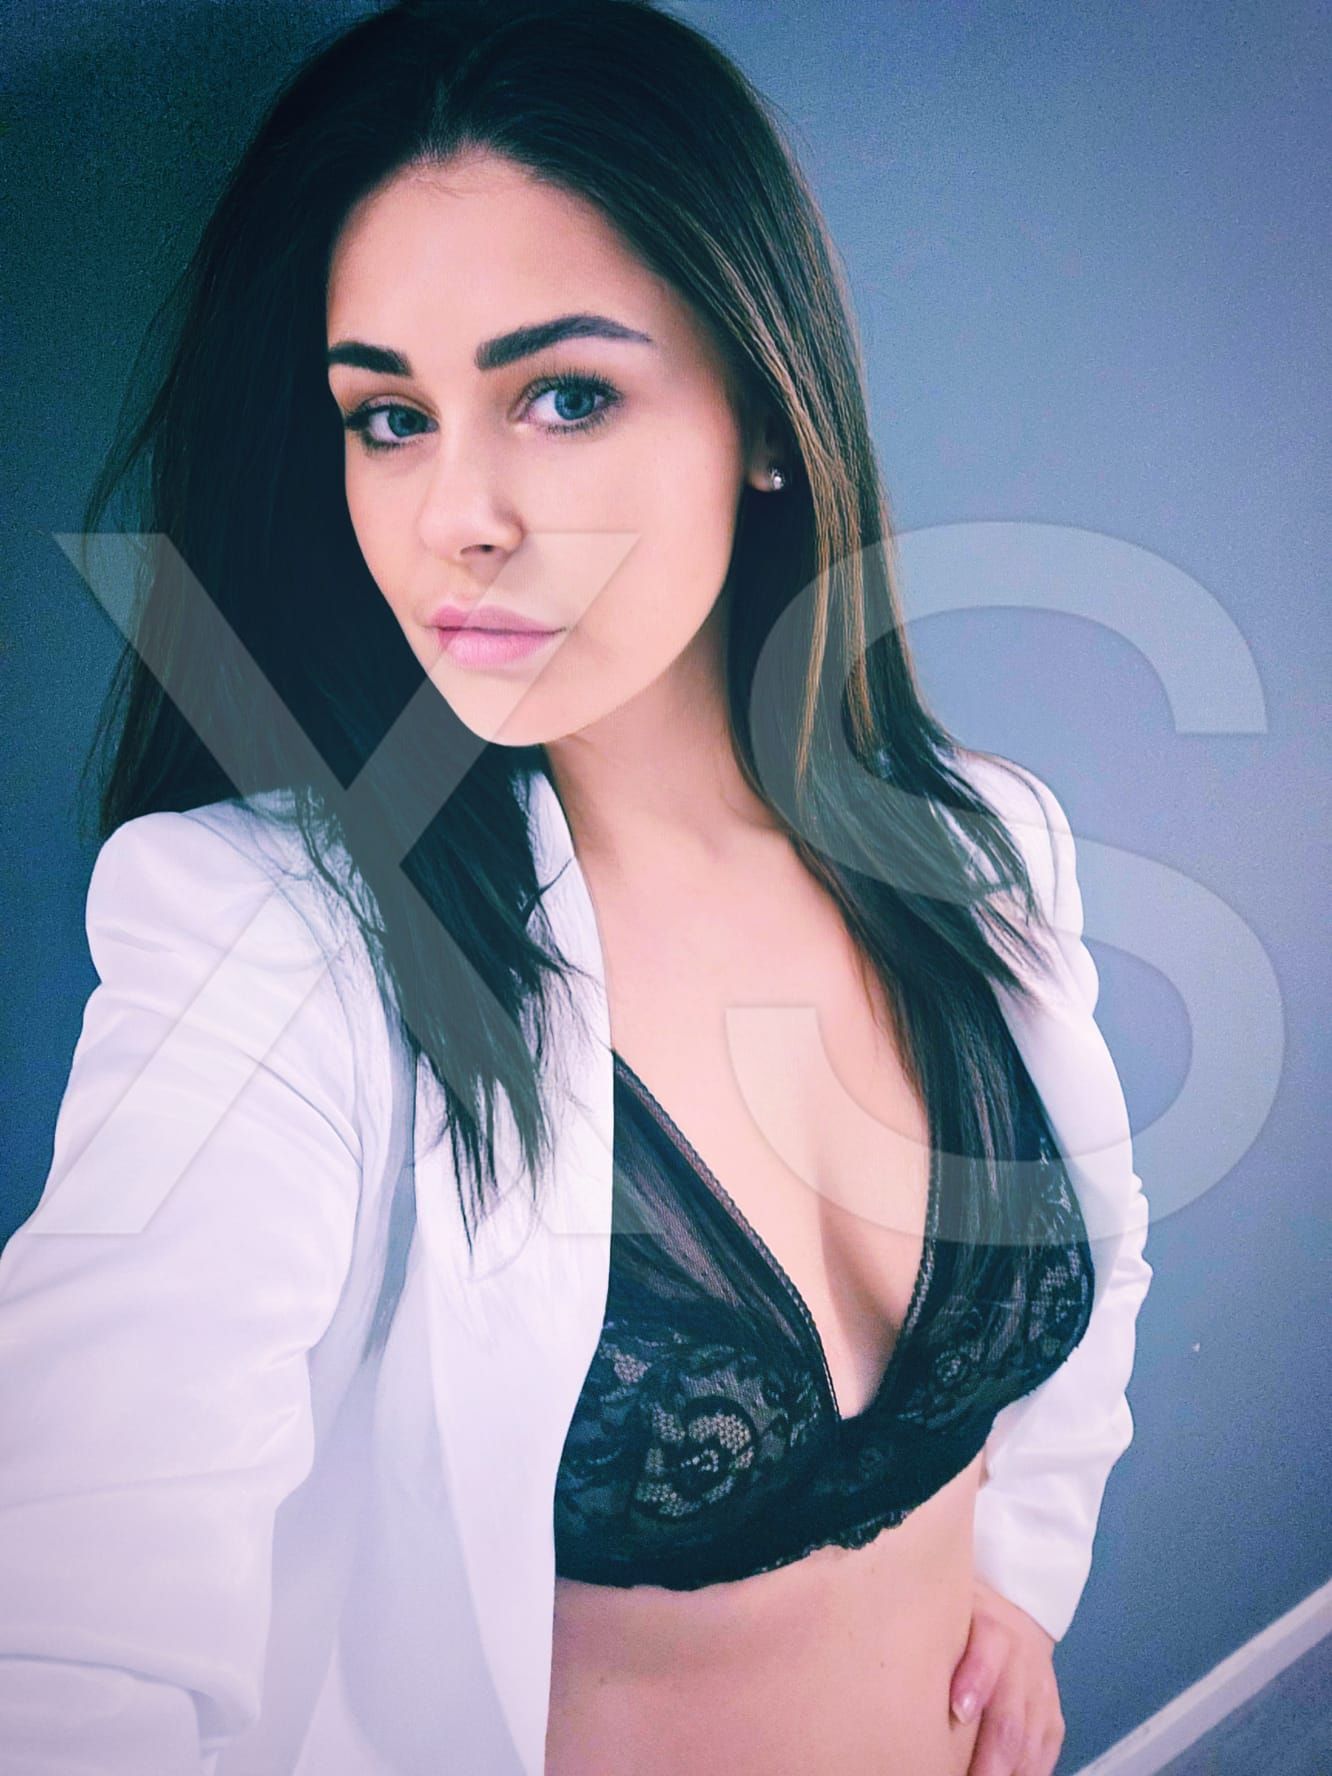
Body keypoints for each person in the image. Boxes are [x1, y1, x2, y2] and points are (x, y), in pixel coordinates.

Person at [0, 2, 1153, 1773]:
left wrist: (1020, 1583)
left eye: (562, 396)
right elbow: (72, 1614)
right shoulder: (274, 950)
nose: (454, 514)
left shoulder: (984, 839)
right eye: (389, 417)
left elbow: (1104, 1255)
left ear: (765, 412)